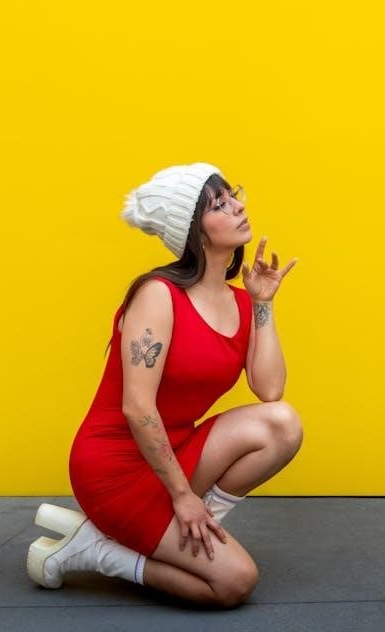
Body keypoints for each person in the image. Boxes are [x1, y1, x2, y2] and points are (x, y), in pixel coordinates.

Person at [26, 162, 303, 608]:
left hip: (177, 451)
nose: (237, 207)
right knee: (234, 583)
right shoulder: (158, 295)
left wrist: (263, 303)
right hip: (114, 470)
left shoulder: (240, 301)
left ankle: (196, 527)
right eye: (219, 204)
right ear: (193, 231)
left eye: (232, 196)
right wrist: (181, 496)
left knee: (282, 423)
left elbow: (270, 391)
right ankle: (98, 551)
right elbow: (137, 408)